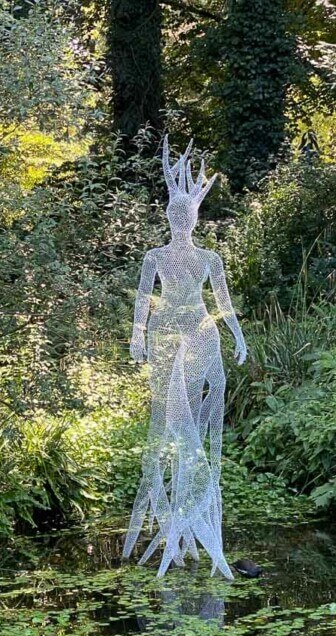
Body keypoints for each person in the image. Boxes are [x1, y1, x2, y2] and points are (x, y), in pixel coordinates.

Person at [124, 137, 247, 578]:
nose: (181, 219)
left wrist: (237, 335)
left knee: (189, 420)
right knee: (171, 420)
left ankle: (190, 523)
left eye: (185, 213)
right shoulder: (156, 256)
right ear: (177, 217)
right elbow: (143, 298)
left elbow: (223, 302)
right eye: (177, 213)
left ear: (192, 217)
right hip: (175, 337)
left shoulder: (203, 258)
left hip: (196, 336)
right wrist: (137, 337)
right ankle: (178, 524)